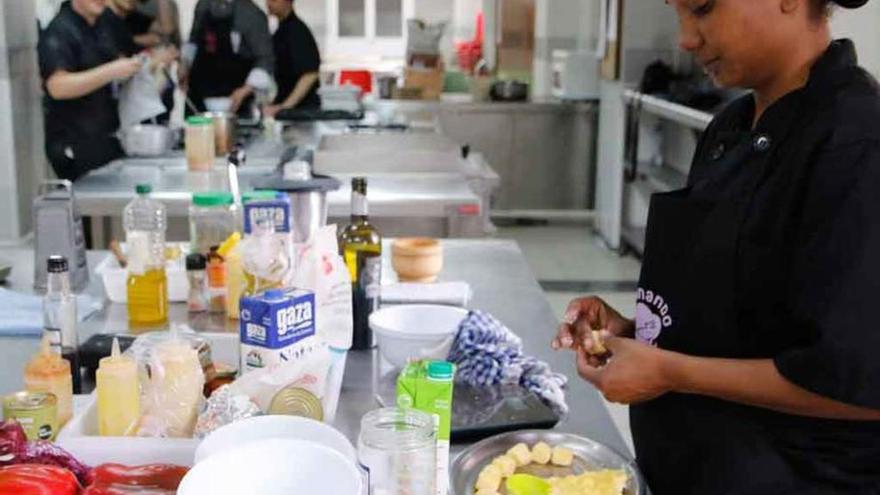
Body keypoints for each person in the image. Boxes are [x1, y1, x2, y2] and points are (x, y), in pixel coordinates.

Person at [554, 0, 880, 493]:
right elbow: (739, 319)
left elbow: (858, 382)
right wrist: (635, 334)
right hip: (692, 471)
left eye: (703, 8)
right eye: (678, 12)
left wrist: (670, 372)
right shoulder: (732, 126)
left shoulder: (856, 140)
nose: (686, 38)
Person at [38, 0, 142, 181]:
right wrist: (111, 71)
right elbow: (58, 87)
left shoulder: (105, 23)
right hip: (76, 142)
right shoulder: (61, 30)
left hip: (107, 135)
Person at [180, 0, 274, 116]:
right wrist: (184, 66)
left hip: (235, 98)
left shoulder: (251, 14)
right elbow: (193, 40)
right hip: (199, 92)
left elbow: (265, 59)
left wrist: (245, 90)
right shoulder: (203, 6)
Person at [263, 0, 321, 118]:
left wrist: (286, 106)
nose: (268, 3)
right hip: (288, 106)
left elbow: (310, 74)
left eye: (274, 0)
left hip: (302, 111)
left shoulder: (297, 31)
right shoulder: (281, 30)